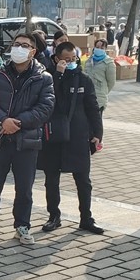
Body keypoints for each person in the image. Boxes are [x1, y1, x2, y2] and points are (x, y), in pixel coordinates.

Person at [0, 33, 54, 245]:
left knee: (24, 188)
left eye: (25, 45)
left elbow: (45, 107)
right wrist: (3, 120)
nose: (19, 48)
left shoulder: (43, 78)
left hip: (27, 141)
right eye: (16, 44)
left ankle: (22, 225)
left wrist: (17, 123)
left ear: (33, 52)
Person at [38, 41, 104, 234]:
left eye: (73, 58)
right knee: (52, 180)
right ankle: (54, 216)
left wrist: (97, 134)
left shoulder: (84, 80)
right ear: (56, 59)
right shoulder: (48, 78)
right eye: (66, 60)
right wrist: (58, 75)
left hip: (78, 136)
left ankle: (86, 218)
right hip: (54, 135)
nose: (70, 62)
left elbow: (93, 108)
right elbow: (49, 99)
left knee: (83, 180)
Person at [88, 39, 116, 112]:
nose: (99, 49)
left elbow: (111, 82)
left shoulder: (109, 63)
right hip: (87, 96)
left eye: (102, 48)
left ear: (105, 49)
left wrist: (103, 91)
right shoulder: (89, 60)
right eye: (97, 47)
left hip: (99, 98)